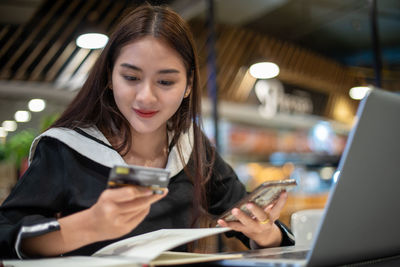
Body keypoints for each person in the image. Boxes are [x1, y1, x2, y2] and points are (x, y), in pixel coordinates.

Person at [0, 4, 294, 259]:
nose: (146, 97)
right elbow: (5, 233)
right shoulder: (66, 149)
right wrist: (87, 226)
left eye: (165, 82)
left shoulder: (191, 145)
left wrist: (265, 233)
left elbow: (250, 221)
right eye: (131, 77)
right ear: (110, 77)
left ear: (188, 86)